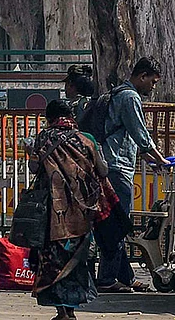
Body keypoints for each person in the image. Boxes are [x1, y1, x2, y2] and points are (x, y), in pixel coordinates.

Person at [29, 100, 114, 320]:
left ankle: (61, 311)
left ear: (49, 119)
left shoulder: (43, 138)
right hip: (82, 214)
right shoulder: (87, 139)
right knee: (77, 261)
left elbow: (34, 168)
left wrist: (31, 152)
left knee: (54, 261)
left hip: (53, 214)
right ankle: (71, 311)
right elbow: (103, 170)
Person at [96, 56, 170, 293]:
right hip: (117, 168)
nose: (153, 87)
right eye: (153, 82)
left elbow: (128, 137)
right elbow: (140, 134)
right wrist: (161, 159)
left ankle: (124, 276)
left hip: (112, 164)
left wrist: (150, 159)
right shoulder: (130, 97)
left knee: (115, 222)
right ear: (142, 76)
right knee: (117, 224)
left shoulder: (117, 94)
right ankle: (107, 278)